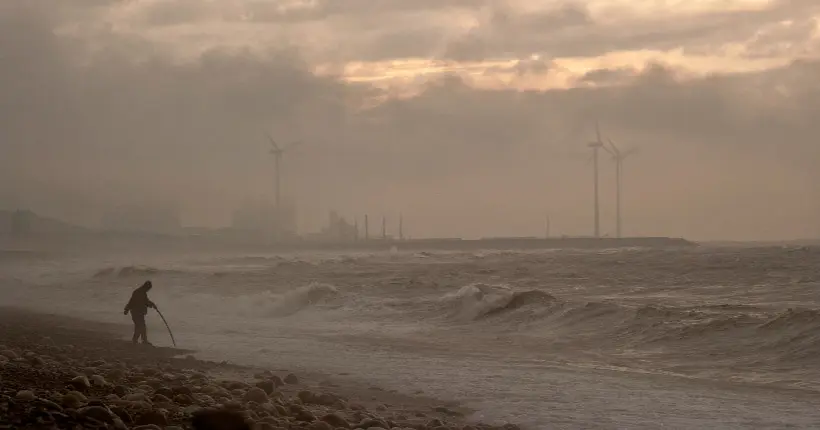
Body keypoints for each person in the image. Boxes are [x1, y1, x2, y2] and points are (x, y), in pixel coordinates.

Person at [124, 280, 156, 345]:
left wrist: (152, 304)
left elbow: (145, 302)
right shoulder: (139, 292)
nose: (148, 290)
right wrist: (126, 309)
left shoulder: (142, 292)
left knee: (140, 326)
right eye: (148, 288)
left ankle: (139, 340)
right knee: (141, 326)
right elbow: (132, 302)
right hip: (136, 312)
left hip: (138, 312)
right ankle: (140, 340)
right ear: (146, 287)